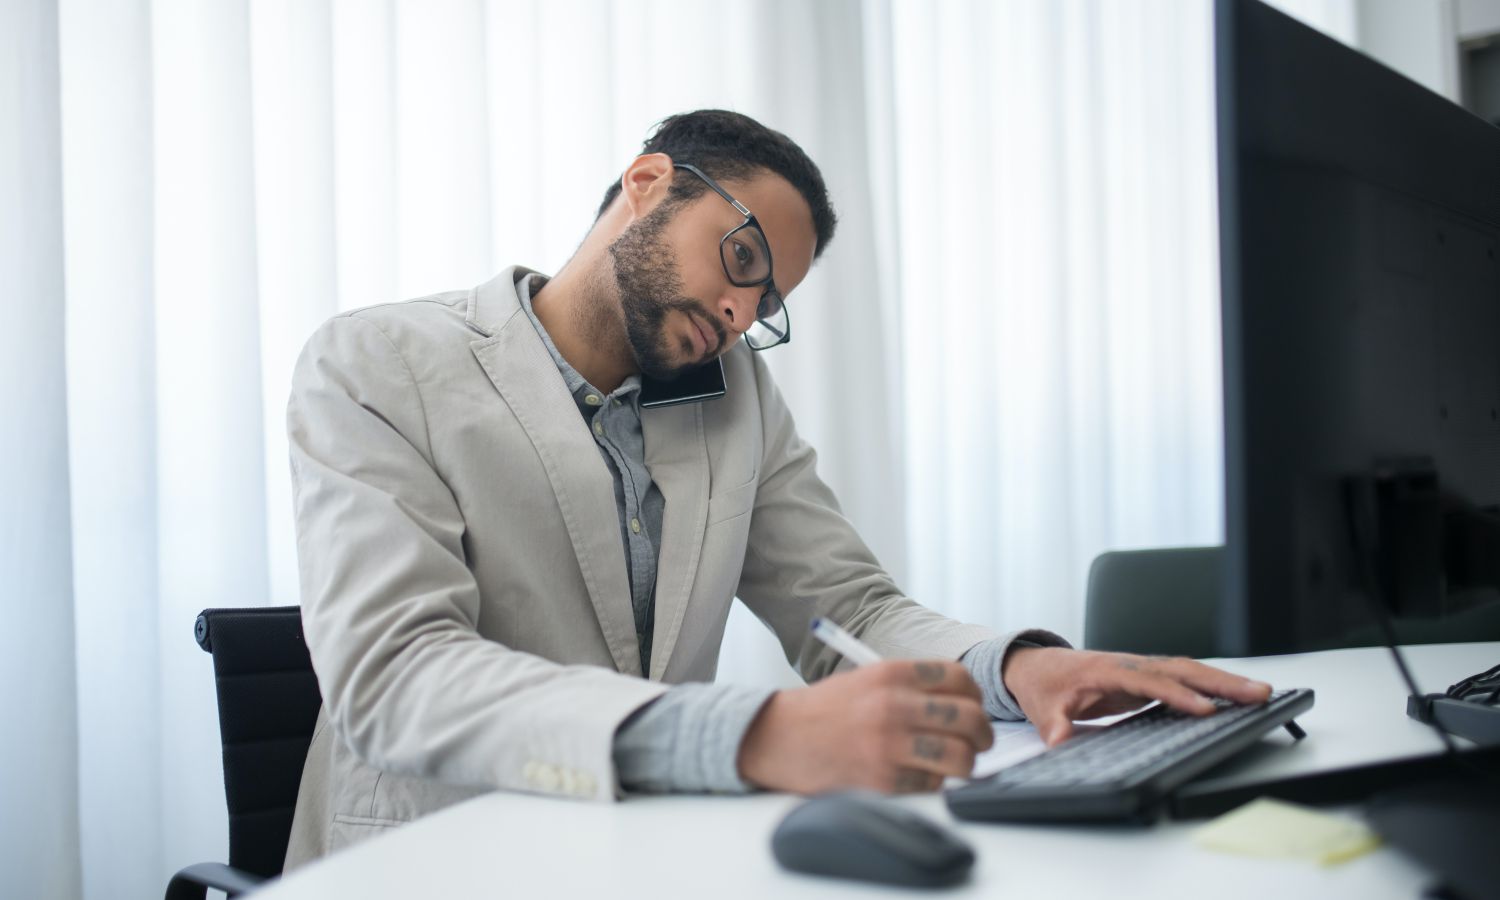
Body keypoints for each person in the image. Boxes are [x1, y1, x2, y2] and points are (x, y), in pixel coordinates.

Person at [283, 109, 1270, 867]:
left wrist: (1016, 669)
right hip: (436, 857)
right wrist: (754, 733)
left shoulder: (736, 393)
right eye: (742, 257)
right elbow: (396, 674)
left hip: (641, 855)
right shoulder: (378, 362)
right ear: (647, 183)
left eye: (767, 300)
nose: (740, 311)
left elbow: (844, 608)